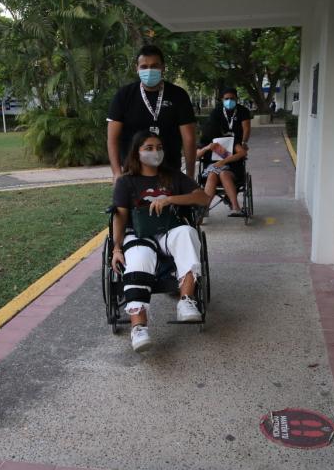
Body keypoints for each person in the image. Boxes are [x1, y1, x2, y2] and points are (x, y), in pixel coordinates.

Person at [111, 131, 211, 352]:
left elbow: (203, 198)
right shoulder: (126, 182)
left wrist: (170, 199)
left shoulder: (173, 177)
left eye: (159, 147)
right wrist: (116, 248)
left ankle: (186, 300)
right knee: (138, 257)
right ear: (137, 153)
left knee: (187, 232)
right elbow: (120, 217)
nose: (155, 152)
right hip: (139, 234)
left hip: (168, 231)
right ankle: (139, 328)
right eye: (148, 148)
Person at [107, 45, 198, 183]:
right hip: (132, 173)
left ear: (163, 68)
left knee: (172, 198)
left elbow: (189, 139)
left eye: (155, 66)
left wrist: (190, 175)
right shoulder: (124, 95)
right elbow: (112, 138)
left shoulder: (178, 95)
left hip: (169, 171)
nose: (149, 70)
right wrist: (116, 173)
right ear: (137, 68)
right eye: (144, 67)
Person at [198, 88, 250, 217]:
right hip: (211, 168)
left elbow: (242, 153)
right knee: (212, 175)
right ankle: (204, 209)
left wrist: (223, 161)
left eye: (232, 98)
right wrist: (207, 148)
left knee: (223, 173)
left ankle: (236, 207)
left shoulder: (229, 139)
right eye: (226, 99)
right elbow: (196, 156)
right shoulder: (207, 141)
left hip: (231, 167)